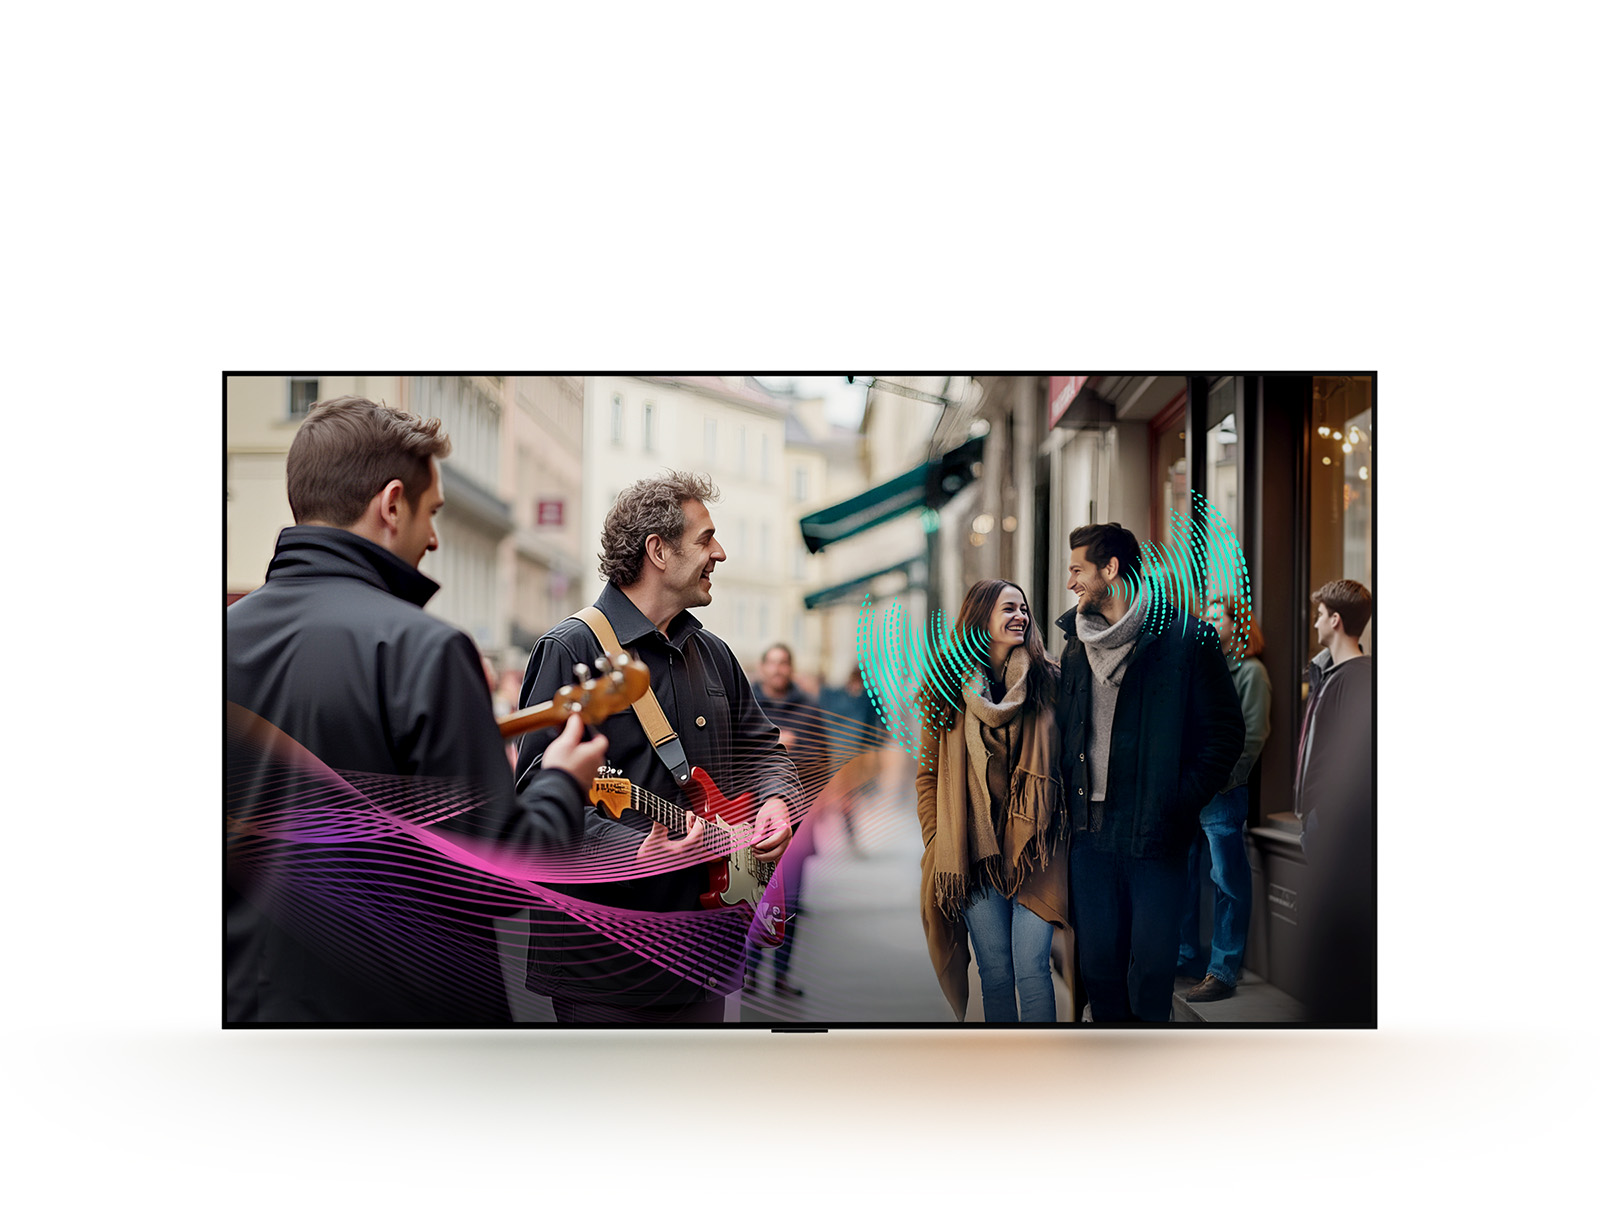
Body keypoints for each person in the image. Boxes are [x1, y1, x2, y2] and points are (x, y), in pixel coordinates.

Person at [225, 396, 607, 1024]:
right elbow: (495, 878)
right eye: (431, 514)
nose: (432, 538)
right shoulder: (424, 650)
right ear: (392, 503)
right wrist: (564, 781)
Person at [514, 471, 800, 1023]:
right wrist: (629, 852)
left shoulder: (713, 653)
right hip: (603, 964)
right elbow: (532, 799)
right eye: (705, 539)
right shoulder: (570, 649)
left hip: (703, 953)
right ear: (658, 551)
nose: (719, 552)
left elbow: (765, 751)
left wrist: (774, 802)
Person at [1055, 523, 1245, 1023]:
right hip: (1088, 837)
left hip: (1156, 836)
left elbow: (1225, 733)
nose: (1070, 582)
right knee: (1099, 971)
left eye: (1078, 570)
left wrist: (1176, 803)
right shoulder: (1074, 644)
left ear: (1111, 570)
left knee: (1154, 971)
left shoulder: (1186, 637)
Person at [918, 579, 1068, 1022]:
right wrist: (938, 840)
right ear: (981, 617)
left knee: (1032, 968)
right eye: (1008, 608)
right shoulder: (943, 688)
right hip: (974, 852)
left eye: (1023, 607)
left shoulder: (1050, 681)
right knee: (996, 972)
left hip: (1037, 847)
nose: (1020, 615)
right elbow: (927, 777)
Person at [1177, 593, 1272, 1003]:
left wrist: (1220, 779)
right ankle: (1184, 957)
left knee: (1228, 881)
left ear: (1240, 624)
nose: (1212, 621)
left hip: (1224, 791)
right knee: (1183, 875)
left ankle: (1223, 970)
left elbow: (1253, 735)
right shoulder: (1201, 664)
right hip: (1192, 789)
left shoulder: (1250, 672)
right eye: (1209, 614)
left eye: (1222, 616)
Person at [1295, 578, 1375, 1023]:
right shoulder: (1329, 674)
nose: (1315, 621)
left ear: (1336, 620)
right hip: (1316, 821)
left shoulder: (1359, 680)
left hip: (1331, 824)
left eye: (1320, 613)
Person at [748, 642, 820, 999]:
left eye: (783, 663)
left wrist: (794, 750)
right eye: (772, 663)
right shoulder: (746, 703)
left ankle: (780, 976)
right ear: (763, 669)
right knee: (749, 901)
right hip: (748, 823)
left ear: (790, 668)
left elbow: (823, 762)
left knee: (788, 905)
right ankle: (746, 973)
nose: (777, 670)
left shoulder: (808, 708)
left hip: (797, 824)